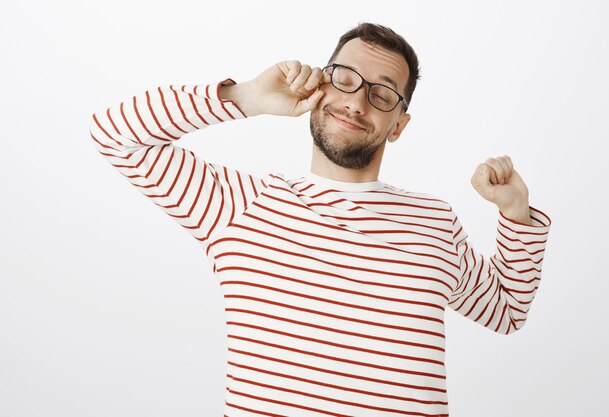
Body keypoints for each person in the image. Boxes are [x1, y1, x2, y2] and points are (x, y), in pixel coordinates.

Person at [89, 22, 551, 417]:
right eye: (345, 78)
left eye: (383, 93)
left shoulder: (434, 221)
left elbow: (506, 312)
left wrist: (516, 214)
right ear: (319, 85)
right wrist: (246, 96)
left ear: (399, 125)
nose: (356, 102)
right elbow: (112, 136)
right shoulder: (239, 206)